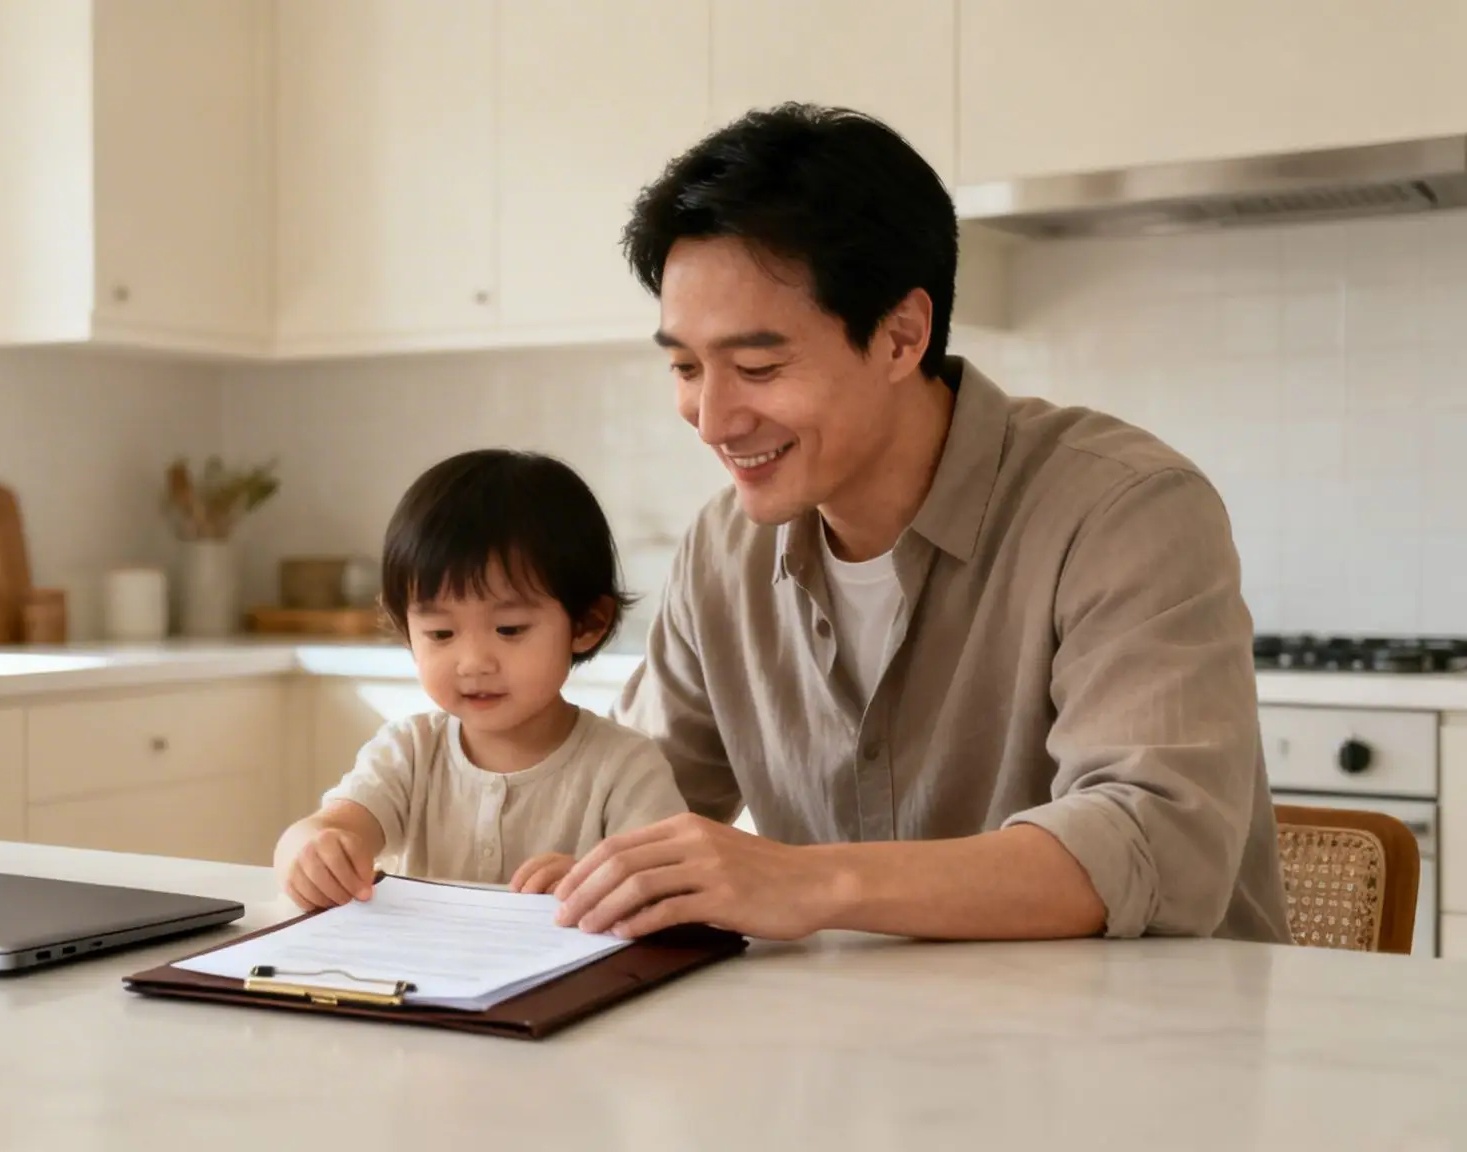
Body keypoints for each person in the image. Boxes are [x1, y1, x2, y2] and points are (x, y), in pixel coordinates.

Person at [550, 102, 1292, 946]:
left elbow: (1157, 844)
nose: (712, 420)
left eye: (757, 366)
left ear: (903, 336)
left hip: (1145, 1054)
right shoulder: (724, 551)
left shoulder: (1125, 508)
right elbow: (634, 806)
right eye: (685, 366)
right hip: (861, 1056)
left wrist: (808, 880)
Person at [274, 449, 688, 910]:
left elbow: (668, 894)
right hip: (424, 981)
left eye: (509, 629)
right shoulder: (409, 753)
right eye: (440, 633)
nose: (472, 663)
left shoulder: (626, 768)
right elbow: (326, 829)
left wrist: (594, 884)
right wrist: (310, 851)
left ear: (587, 622)